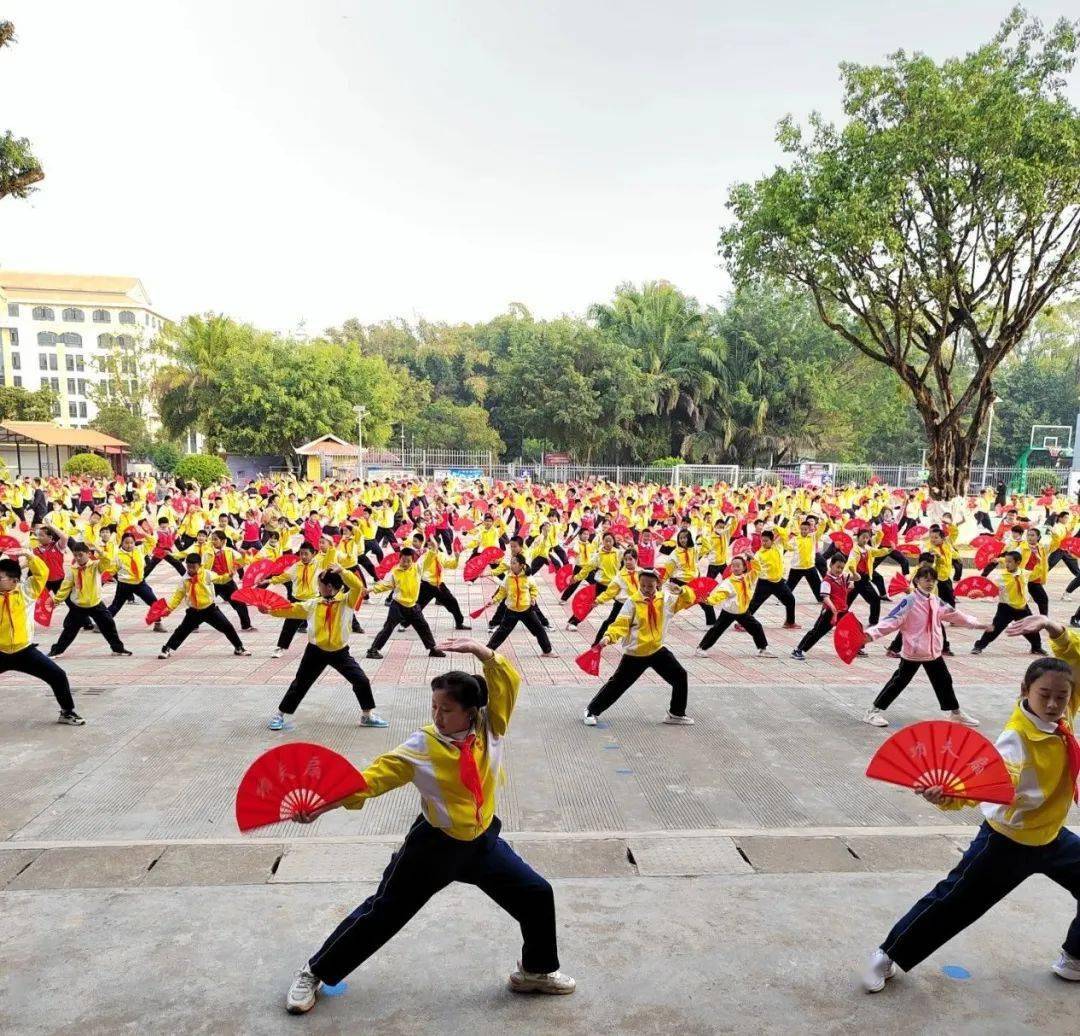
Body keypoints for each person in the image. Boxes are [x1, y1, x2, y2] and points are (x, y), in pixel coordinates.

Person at [282, 637, 574, 1015]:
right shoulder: (422, 745)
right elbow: (370, 780)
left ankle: (534, 972)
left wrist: (482, 652)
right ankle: (314, 971)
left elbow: (508, 682)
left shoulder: (491, 728)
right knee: (383, 913)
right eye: (433, 706)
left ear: (472, 712)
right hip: (434, 848)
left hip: (482, 842)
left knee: (536, 893)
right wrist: (322, 806)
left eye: (447, 709)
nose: (437, 716)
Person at [862, 620, 1080, 993]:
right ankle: (886, 956)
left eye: (1062, 695)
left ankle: (1074, 957)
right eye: (1045, 694)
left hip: (1051, 836)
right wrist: (944, 795)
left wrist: (1053, 627)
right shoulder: (1016, 741)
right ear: (1024, 690)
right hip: (1006, 843)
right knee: (952, 903)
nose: (1054, 703)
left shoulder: (1062, 714)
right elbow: (984, 786)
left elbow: (1075, 658)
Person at [263, 564, 386, 731]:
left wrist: (343, 571)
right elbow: (291, 609)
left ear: (328, 587)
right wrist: (269, 610)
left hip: (340, 652)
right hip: (315, 651)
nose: (317, 587)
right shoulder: (313, 604)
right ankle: (280, 715)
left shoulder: (347, 601)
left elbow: (357, 585)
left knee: (361, 680)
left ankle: (367, 716)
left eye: (319, 584)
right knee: (300, 684)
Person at [862, 564, 985, 728]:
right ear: (917, 580)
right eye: (926, 580)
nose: (930, 583)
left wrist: (975, 624)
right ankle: (872, 712)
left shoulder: (935, 600)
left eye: (933, 580)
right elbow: (891, 620)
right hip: (914, 652)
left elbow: (953, 614)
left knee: (944, 681)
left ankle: (955, 713)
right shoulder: (909, 600)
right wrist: (871, 635)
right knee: (898, 682)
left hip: (933, 652)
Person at [583, 569, 696, 727]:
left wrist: (682, 590)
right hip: (635, 653)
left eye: (650, 585)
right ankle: (591, 710)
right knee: (617, 685)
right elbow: (621, 624)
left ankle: (676, 714)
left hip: (657, 650)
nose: (645, 588)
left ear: (657, 584)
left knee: (680, 676)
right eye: (642, 585)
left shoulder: (666, 600)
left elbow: (689, 600)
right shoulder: (632, 602)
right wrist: (609, 636)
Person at [0, 553, 84, 725]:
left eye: (0, 577)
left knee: (58, 675)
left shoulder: (26, 591)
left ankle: (67, 712)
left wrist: (28, 556)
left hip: (24, 651)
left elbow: (41, 573)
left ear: (14, 580)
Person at [157, 553, 251, 659]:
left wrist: (229, 576)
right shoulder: (184, 579)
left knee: (227, 627)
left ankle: (239, 647)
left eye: (193, 567)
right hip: (194, 612)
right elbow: (177, 596)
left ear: (200, 565)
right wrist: (169, 608)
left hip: (210, 609)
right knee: (181, 631)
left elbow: (220, 579)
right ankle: (166, 649)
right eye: (188, 567)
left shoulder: (207, 574)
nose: (191, 569)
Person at [49, 541, 131, 658]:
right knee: (69, 630)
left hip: (96, 604)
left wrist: (98, 549)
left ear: (88, 554)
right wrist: (56, 600)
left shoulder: (96, 566)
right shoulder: (73, 569)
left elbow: (107, 560)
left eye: (80, 555)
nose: (78, 558)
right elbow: (65, 586)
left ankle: (118, 649)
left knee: (109, 625)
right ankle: (56, 651)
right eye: (75, 555)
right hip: (78, 606)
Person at [366, 547, 446, 659]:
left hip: (412, 605)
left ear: (412, 560)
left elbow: (429, 558)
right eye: (404, 560)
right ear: (400, 559)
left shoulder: (417, 568)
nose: (406, 563)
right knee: (388, 627)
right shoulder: (395, 571)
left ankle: (433, 649)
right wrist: (373, 589)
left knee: (423, 626)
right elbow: (387, 584)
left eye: (409, 561)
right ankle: (373, 650)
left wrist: (433, 548)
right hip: (397, 605)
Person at [971, 551, 1046, 657]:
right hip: (1006, 608)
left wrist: (1039, 561)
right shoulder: (1001, 577)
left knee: (1030, 628)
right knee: (995, 628)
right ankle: (979, 646)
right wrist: (979, 593)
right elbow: (991, 589)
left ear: (1018, 562)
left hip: (1022, 607)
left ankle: (1036, 647)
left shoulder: (1024, 573)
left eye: (1010, 562)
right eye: (1006, 562)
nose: (1007, 564)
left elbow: (1036, 573)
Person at [695, 554, 772, 657]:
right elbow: (719, 595)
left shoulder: (748, 578)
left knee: (756, 627)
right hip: (729, 612)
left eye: (738, 565)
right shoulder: (728, 582)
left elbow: (757, 570)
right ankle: (701, 648)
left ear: (744, 567)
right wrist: (709, 600)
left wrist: (753, 559)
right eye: (733, 566)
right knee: (716, 630)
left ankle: (762, 649)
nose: (735, 568)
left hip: (743, 611)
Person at [485, 554, 555, 657]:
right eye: (511, 563)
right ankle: (487, 650)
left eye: (514, 563)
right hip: (511, 610)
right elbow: (502, 591)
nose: (511, 565)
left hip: (526, 610)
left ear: (521, 565)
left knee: (539, 630)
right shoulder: (508, 578)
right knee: (501, 632)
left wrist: (533, 597)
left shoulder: (528, 577)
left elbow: (534, 588)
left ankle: (547, 651)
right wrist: (493, 600)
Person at [791, 553, 852, 661]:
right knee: (817, 632)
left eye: (842, 568)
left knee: (853, 627)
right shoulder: (826, 581)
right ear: (831, 565)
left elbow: (857, 578)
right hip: (829, 612)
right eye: (837, 567)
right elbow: (825, 597)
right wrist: (833, 609)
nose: (839, 570)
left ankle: (856, 647)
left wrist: (854, 573)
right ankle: (798, 650)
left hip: (842, 610)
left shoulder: (842, 577)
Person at [107, 530, 168, 632]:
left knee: (154, 602)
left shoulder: (139, 550)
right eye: (126, 543)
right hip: (124, 584)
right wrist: (103, 578)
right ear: (122, 543)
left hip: (140, 583)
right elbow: (112, 570)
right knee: (116, 605)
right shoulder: (117, 555)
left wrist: (143, 534)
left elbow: (153, 541)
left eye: (131, 542)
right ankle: (103, 623)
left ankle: (158, 624)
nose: (129, 545)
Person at [746, 529, 799, 629]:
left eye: (766, 540)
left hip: (779, 582)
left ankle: (789, 622)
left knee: (790, 600)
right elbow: (756, 568)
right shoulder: (759, 554)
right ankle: (743, 623)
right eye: (762, 540)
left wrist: (775, 528)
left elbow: (783, 532)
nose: (764, 543)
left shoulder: (777, 546)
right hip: (764, 583)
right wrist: (751, 558)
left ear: (772, 540)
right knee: (754, 604)